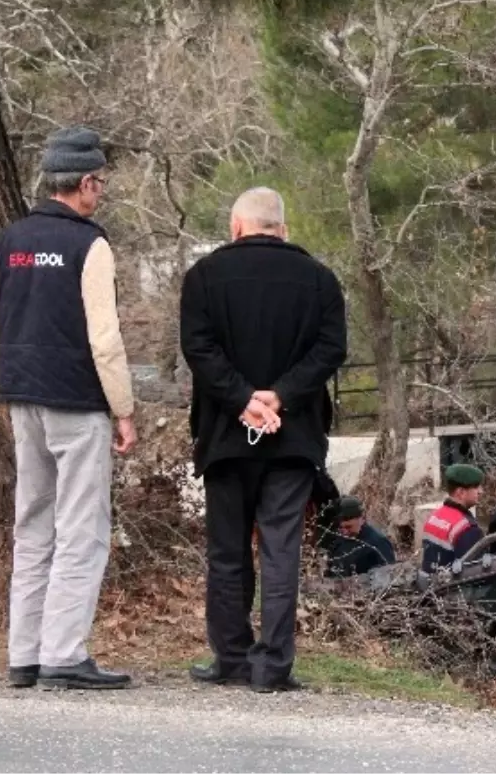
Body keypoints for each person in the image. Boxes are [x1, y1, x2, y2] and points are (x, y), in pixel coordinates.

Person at [0, 126, 137, 690]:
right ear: (84, 183)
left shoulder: (10, 239)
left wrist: (21, 352)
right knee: (82, 528)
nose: (101, 192)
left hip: (22, 399)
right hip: (78, 403)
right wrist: (124, 409)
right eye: (100, 182)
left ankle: (25, 656)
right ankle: (64, 655)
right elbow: (104, 340)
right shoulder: (91, 244)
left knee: (33, 526)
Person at [180, 186, 347, 692]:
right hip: (293, 435)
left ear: (236, 227)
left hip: (226, 435)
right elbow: (330, 350)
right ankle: (272, 666)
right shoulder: (319, 280)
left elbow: (199, 349)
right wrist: (280, 397)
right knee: (280, 550)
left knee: (228, 550)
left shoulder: (204, 277)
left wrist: (243, 400)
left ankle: (230, 656)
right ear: (283, 227)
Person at [421, 464, 486, 574]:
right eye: (476, 487)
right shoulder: (468, 529)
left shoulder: (435, 516)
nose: (481, 491)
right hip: (452, 588)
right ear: (460, 492)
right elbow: (474, 573)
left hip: (431, 584)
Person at [322, 496, 396, 578]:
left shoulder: (379, 542)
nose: (345, 532)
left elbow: (387, 577)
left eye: (348, 527)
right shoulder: (338, 539)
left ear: (362, 519)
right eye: (340, 528)